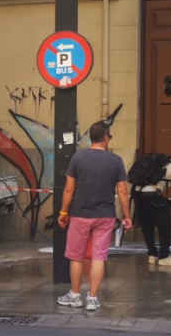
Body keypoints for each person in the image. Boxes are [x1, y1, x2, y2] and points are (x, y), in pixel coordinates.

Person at [56, 121, 133, 312]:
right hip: (105, 215)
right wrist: (127, 215)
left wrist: (63, 212)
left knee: (76, 257)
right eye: (110, 136)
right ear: (105, 137)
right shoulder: (115, 161)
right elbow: (123, 191)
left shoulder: (78, 158)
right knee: (99, 256)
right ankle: (92, 298)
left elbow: (69, 189)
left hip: (80, 214)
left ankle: (75, 295)